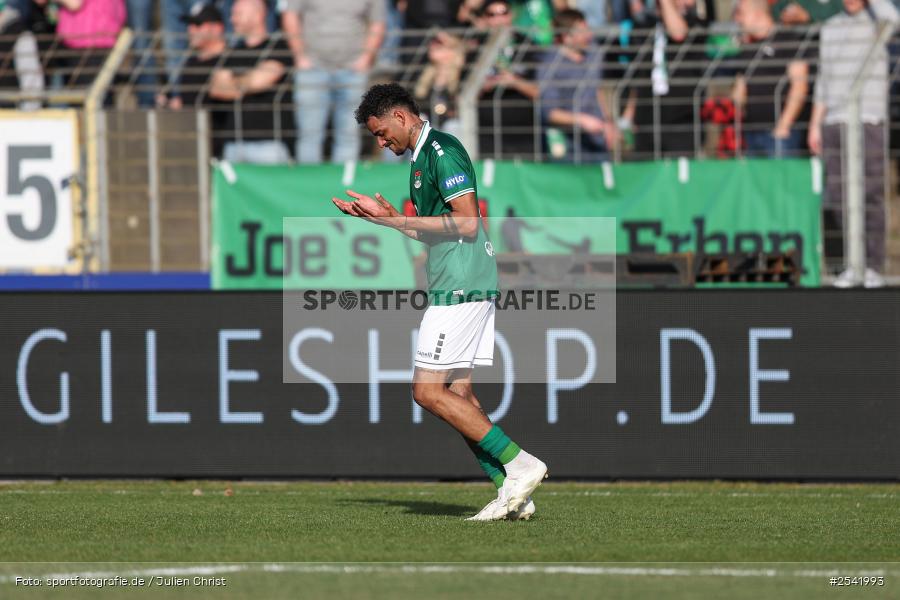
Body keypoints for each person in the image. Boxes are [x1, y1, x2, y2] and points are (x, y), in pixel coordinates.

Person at [332, 83, 548, 522]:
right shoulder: (419, 160)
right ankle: (512, 492)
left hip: (461, 283)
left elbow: (468, 223)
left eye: (380, 132)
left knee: (426, 392)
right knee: (459, 394)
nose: (380, 142)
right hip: (465, 279)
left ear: (401, 116)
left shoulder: (442, 151)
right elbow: (432, 229)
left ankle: (522, 464)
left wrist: (397, 218)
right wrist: (391, 219)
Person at [808, 0, 899, 287]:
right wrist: (815, 123)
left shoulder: (878, 19)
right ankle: (851, 264)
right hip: (835, 120)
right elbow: (823, 79)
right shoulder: (831, 27)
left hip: (868, 117)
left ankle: (872, 265)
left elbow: (894, 18)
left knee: (870, 193)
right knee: (840, 196)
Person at [280, 0, 385, 163]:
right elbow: (290, 15)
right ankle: (309, 188)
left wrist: (366, 57)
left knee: (348, 135)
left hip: (353, 71)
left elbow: (378, 21)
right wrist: (299, 54)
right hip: (312, 69)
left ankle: (344, 186)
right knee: (309, 135)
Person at [209, 0, 293, 163]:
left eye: (238, 14)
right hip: (234, 144)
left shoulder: (278, 47)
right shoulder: (232, 52)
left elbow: (262, 80)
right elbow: (216, 88)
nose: (233, 19)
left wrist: (234, 83)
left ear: (258, 15)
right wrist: (248, 82)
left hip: (269, 145)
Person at [537, 8, 618, 162]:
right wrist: (582, 120)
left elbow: (598, 91)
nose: (589, 35)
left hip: (597, 139)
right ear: (566, 37)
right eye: (582, 32)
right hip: (566, 144)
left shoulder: (594, 54)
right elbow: (549, 113)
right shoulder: (550, 65)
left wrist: (608, 122)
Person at [732, 0, 809, 157]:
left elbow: (799, 85)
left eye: (742, 13)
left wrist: (784, 125)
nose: (738, 20)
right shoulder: (747, 46)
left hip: (780, 132)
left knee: (781, 179)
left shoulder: (787, 39)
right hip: (751, 131)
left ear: (758, 13)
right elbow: (740, 88)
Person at [477, 0, 541, 158]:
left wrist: (513, 81)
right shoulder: (476, 46)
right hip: (486, 130)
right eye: (492, 14)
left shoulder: (528, 44)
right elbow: (463, 94)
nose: (498, 19)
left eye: (503, 13)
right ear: (485, 19)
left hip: (524, 130)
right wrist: (485, 84)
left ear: (511, 15)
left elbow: (540, 91)